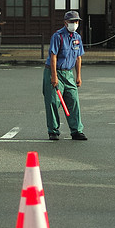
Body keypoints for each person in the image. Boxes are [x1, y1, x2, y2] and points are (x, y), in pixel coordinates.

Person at [44, 11, 87, 141]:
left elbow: (78, 57)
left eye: (77, 21)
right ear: (65, 22)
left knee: (73, 101)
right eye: (72, 21)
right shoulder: (58, 36)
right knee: (53, 102)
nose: (75, 24)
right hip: (55, 71)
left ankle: (76, 130)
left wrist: (78, 76)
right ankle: (53, 131)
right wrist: (54, 76)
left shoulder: (77, 37)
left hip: (68, 73)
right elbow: (53, 56)